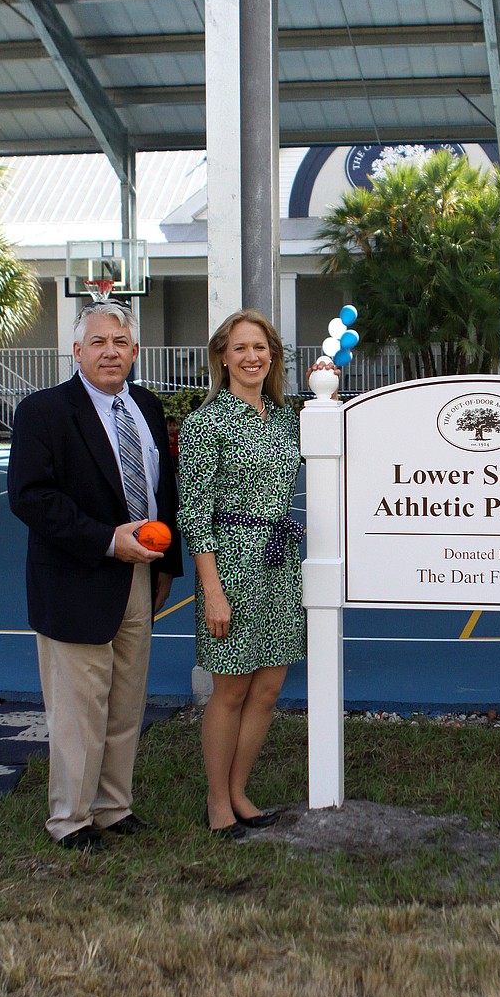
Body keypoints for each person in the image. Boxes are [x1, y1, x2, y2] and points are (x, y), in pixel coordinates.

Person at [8, 302, 182, 852]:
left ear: (134, 351)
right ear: (77, 352)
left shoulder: (147, 408)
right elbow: (31, 497)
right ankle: (70, 820)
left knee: (126, 702)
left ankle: (113, 807)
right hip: (77, 575)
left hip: (139, 577)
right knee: (79, 710)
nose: (112, 351)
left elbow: (163, 491)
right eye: (99, 342)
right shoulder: (44, 411)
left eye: (121, 342)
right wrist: (109, 540)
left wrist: (165, 567)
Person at [177, 311, 306, 839]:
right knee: (229, 691)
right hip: (230, 564)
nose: (252, 356)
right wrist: (211, 590)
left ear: (271, 355)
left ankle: (239, 790)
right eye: (241, 347)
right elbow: (193, 512)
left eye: (261, 347)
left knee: (269, 687)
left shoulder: (284, 418)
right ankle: (216, 802)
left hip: (277, 564)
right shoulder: (206, 423)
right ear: (222, 357)